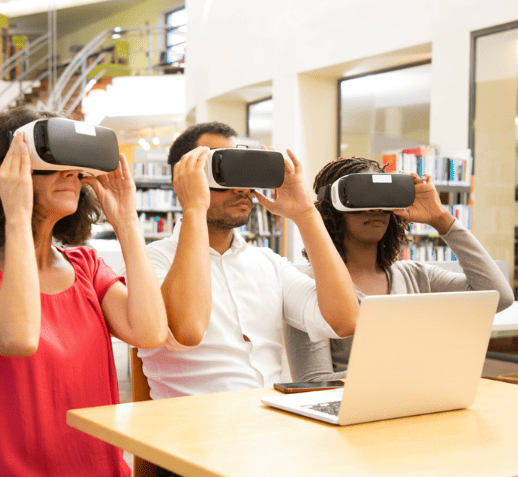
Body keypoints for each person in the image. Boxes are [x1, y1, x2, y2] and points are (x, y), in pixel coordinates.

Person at [0, 106, 167, 476]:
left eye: (74, 164)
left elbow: (149, 332)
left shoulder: (87, 266)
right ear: (5, 174)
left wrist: (127, 222)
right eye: (50, 160)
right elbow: (17, 337)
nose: (71, 173)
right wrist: (17, 216)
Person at [130, 122, 360, 400]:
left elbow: (346, 320)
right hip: (190, 430)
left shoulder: (268, 263)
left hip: (269, 424)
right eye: (223, 169)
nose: (240, 187)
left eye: (243, 168)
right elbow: (187, 330)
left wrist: (305, 213)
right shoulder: (149, 262)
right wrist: (194, 207)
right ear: (184, 177)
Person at [284, 157, 515, 382]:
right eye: (363, 198)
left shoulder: (417, 276)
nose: (375, 209)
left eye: (384, 199)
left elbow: (499, 297)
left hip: (420, 404)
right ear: (333, 209)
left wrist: (442, 219)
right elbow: (312, 381)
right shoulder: (309, 289)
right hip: (353, 413)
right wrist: (411, 372)